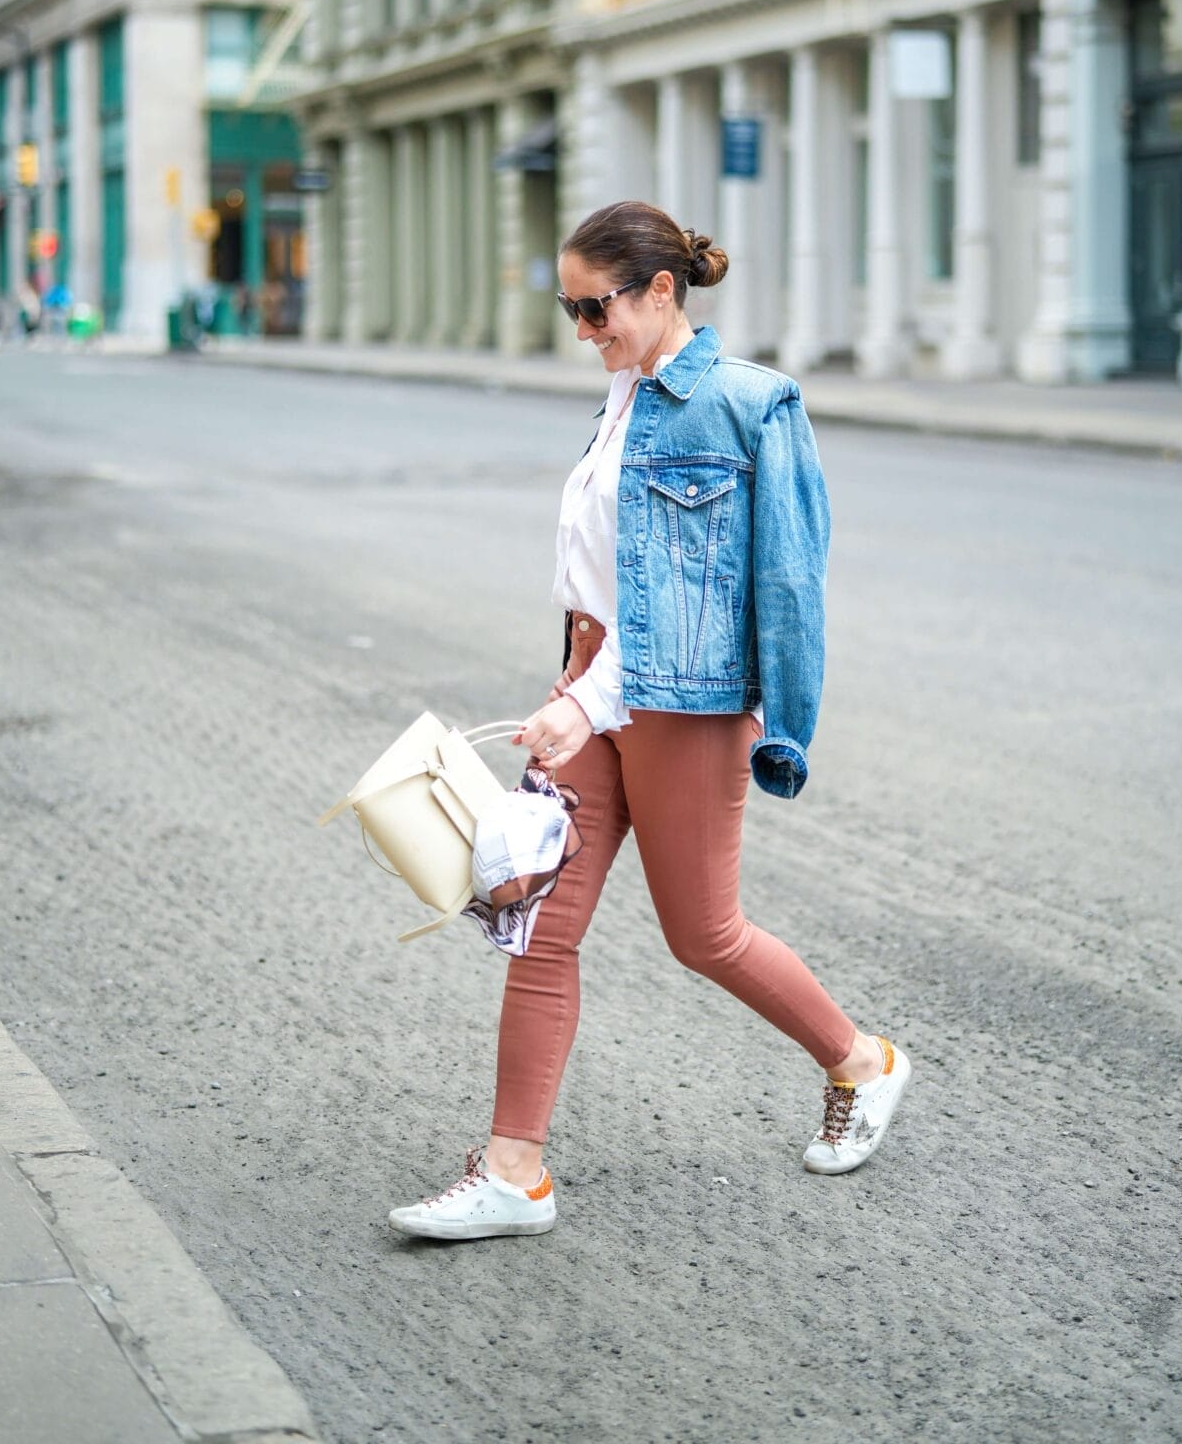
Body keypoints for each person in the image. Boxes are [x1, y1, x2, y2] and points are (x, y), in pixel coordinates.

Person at [389, 202, 911, 1241]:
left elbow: (767, 588)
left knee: (703, 934)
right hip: (591, 689)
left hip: (685, 702)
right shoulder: (620, 397)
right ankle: (513, 1174)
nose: (583, 331)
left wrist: (779, 726)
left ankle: (862, 1061)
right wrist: (570, 683)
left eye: (596, 309)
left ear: (659, 291)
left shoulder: (747, 405)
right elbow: (600, 574)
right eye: (568, 310)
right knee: (540, 928)